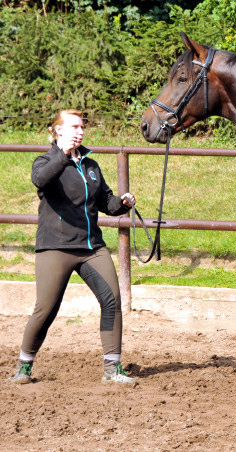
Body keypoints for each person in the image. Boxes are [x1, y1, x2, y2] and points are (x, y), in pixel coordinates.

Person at [11, 109, 136, 384]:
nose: (80, 131)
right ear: (59, 131)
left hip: (92, 248)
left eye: (82, 127)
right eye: (74, 127)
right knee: (45, 309)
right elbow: (41, 181)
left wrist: (122, 203)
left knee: (112, 301)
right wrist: (62, 154)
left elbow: (105, 202)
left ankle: (112, 369)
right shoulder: (45, 161)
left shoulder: (91, 166)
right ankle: (24, 365)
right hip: (55, 247)